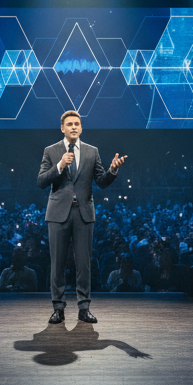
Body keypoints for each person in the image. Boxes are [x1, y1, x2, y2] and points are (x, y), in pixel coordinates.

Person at [38, 109, 127, 324]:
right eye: (69, 124)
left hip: (83, 213)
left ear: (81, 127)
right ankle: (58, 308)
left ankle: (84, 307)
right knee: (57, 263)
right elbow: (41, 181)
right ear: (62, 128)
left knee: (84, 263)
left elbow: (101, 182)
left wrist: (112, 170)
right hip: (58, 213)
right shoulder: (51, 151)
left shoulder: (91, 151)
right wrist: (60, 165)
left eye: (77, 124)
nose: (74, 127)